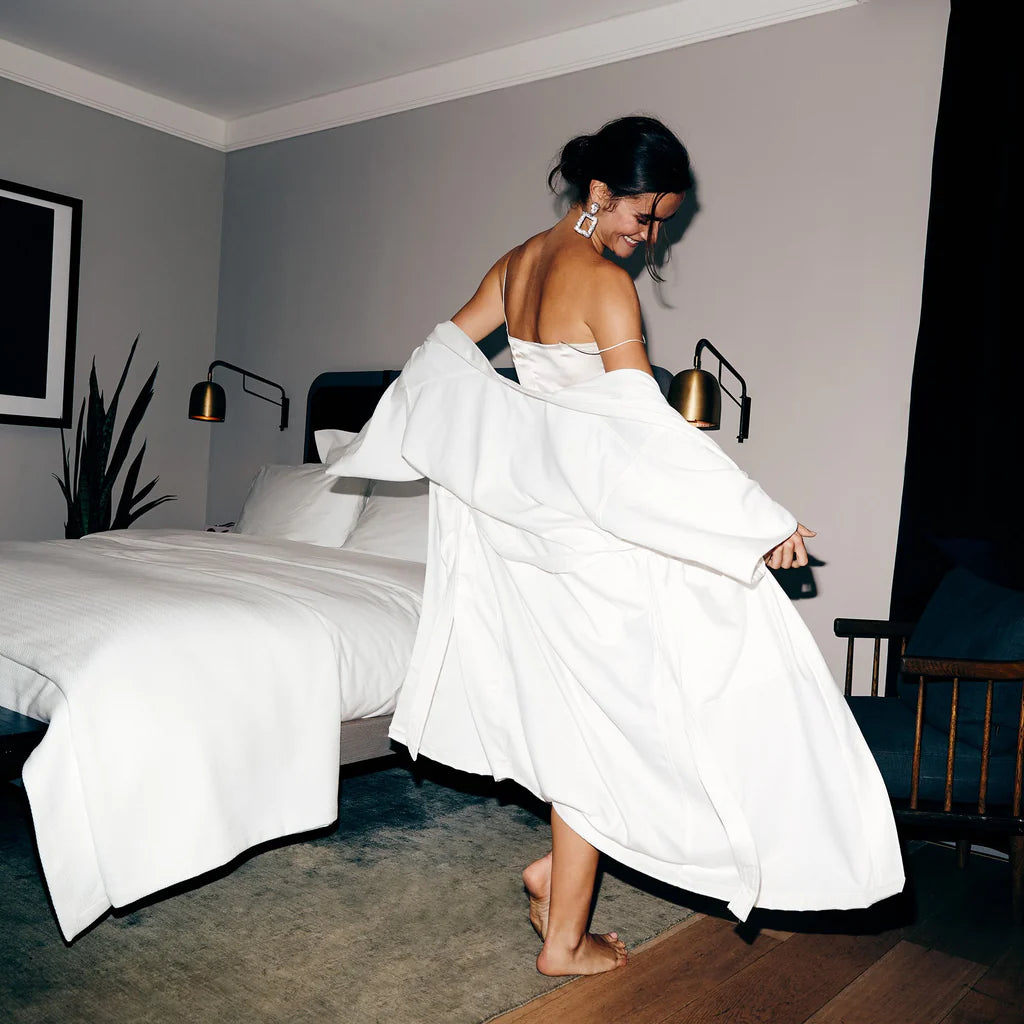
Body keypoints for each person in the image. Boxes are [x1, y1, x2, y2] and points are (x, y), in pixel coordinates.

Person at [322, 115, 903, 980]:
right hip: (593, 544)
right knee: (690, 686)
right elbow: (648, 435)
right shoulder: (601, 284)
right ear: (600, 194)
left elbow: (441, 357)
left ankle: (562, 892)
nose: (651, 235)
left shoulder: (516, 262)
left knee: (594, 721)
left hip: (542, 541)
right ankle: (563, 926)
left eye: (661, 220)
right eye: (645, 216)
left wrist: (494, 447)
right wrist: (757, 520)